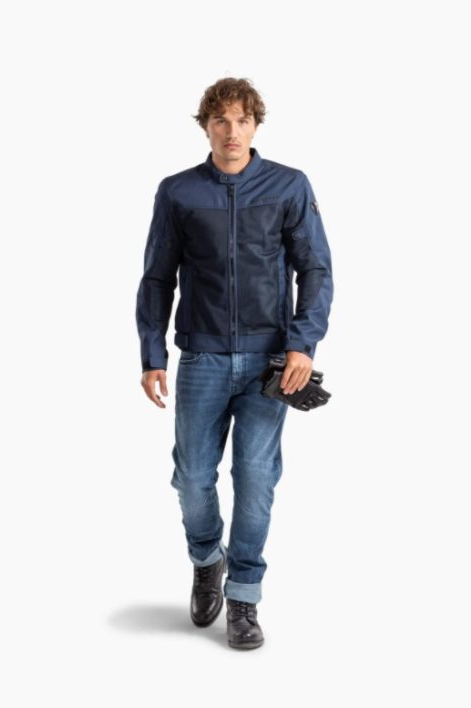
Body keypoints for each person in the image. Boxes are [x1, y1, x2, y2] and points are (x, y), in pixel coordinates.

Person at [135, 77, 334, 650]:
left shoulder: (289, 185)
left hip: (272, 362)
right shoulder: (178, 192)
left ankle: (244, 596)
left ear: (255, 125)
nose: (231, 131)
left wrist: (302, 344)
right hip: (201, 356)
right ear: (205, 125)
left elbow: (315, 269)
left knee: (255, 478)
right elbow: (157, 277)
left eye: (242, 120)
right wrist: (152, 353)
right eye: (220, 120)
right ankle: (207, 560)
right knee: (193, 477)